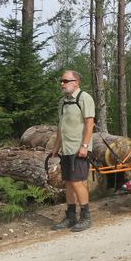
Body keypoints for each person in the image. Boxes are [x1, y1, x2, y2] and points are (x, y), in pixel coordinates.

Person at [51, 70, 96, 232]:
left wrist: (84, 146)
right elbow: (60, 126)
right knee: (69, 183)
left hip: (79, 148)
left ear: (76, 82)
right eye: (61, 81)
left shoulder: (84, 98)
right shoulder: (62, 102)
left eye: (66, 81)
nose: (62, 84)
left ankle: (86, 217)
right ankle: (71, 216)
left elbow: (90, 124)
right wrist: (56, 146)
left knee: (77, 182)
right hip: (67, 149)